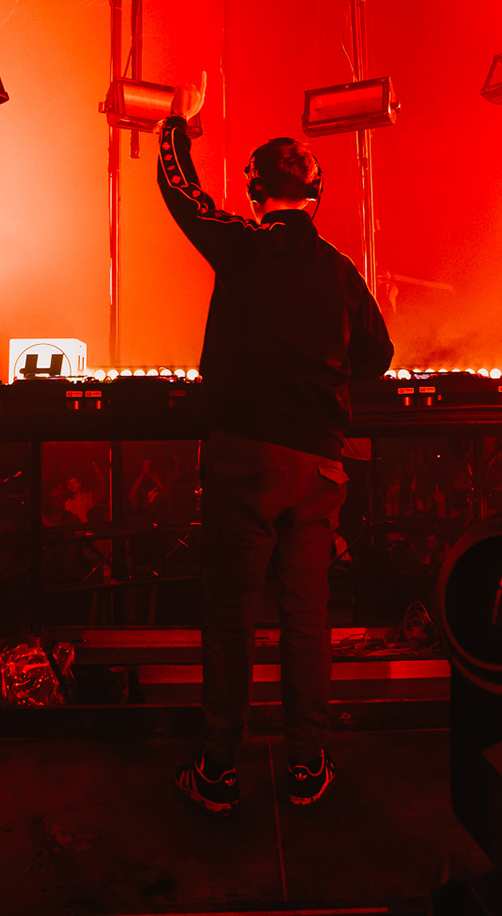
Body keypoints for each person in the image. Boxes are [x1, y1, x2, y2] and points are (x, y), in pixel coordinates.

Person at [154, 72, 393, 817]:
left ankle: (218, 770)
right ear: (316, 195)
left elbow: (180, 195)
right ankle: (306, 766)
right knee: (306, 619)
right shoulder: (340, 271)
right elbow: (378, 356)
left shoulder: (240, 245)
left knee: (230, 617)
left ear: (255, 192)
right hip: (318, 465)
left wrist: (178, 124)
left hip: (244, 459)